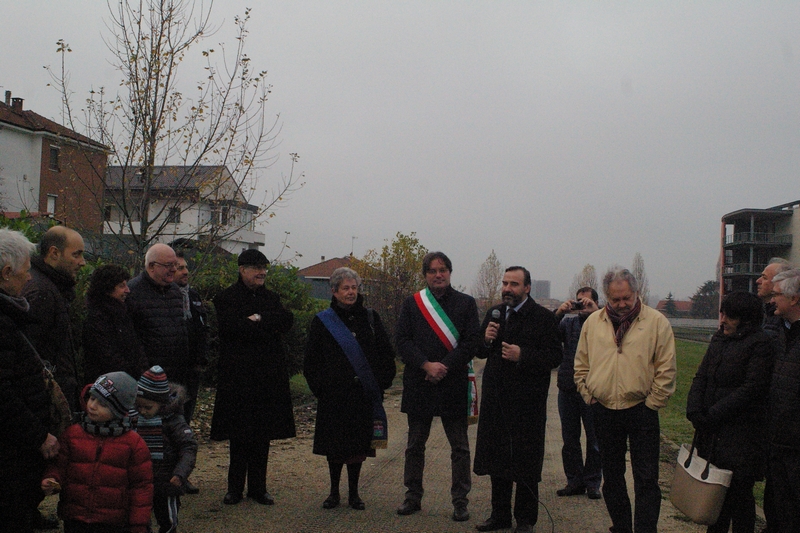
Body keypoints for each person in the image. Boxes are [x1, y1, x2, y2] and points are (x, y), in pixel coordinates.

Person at [574, 267, 677, 533]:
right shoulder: (593, 322)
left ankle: (645, 529)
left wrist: (653, 402)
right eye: (615, 299)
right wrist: (589, 394)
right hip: (604, 409)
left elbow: (666, 368)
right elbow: (581, 364)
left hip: (641, 409)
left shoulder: (656, 322)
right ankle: (621, 527)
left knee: (646, 478)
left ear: (636, 293)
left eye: (626, 299)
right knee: (613, 477)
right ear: (607, 296)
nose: (621, 305)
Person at [473, 266, 562, 533]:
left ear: (527, 288)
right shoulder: (494, 313)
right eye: (505, 283)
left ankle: (525, 520)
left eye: (514, 284)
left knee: (524, 463)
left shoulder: (543, 318)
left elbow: (554, 357)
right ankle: (499, 516)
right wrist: (485, 339)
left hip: (527, 404)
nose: (507, 289)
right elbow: (479, 350)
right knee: (497, 460)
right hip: (496, 399)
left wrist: (523, 355)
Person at [395, 251, 480, 522]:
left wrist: (443, 366)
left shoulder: (466, 304)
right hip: (420, 382)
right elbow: (402, 341)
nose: (438, 275)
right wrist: (426, 365)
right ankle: (412, 497)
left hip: (452, 383)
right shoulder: (412, 303)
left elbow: (470, 343)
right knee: (414, 445)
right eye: (432, 271)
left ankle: (460, 501)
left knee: (460, 448)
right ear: (425, 275)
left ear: (450, 272)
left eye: (443, 269)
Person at [304, 267, 396, 511]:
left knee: (357, 448)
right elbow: (311, 361)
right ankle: (333, 493)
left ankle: (354, 494)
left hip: (361, 396)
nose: (351, 292)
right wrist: (320, 389)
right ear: (334, 292)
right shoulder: (322, 321)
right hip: (333, 397)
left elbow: (386, 355)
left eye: (354, 287)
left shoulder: (371, 318)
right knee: (334, 448)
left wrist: (381, 383)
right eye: (345, 288)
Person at [210, 249, 295, 506]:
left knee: (262, 435)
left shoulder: (271, 298)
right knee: (239, 435)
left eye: (264, 268)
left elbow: (286, 320)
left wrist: (257, 319)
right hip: (238, 379)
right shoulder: (226, 298)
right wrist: (263, 326)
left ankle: (259, 488)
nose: (262, 273)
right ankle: (234, 488)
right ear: (242, 269)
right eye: (256, 268)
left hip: (267, 379)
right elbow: (230, 328)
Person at [685, 291, 774, 533]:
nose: (723, 320)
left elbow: (752, 389)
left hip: (742, 437)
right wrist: (694, 409)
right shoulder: (719, 339)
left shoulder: (761, 344)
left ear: (745, 319)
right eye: (722, 314)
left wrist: (713, 414)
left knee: (739, 499)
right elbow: (702, 375)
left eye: (729, 316)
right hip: (713, 435)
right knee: (714, 500)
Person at [0, 229, 60, 533]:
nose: (28, 278)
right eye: (25, 271)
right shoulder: (3, 321)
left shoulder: (9, 315)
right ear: (7, 272)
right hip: (10, 453)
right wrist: (39, 435)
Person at [41, 372, 153, 533]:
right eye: (92, 398)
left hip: (112, 522)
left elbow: (142, 488)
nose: (92, 406)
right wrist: (52, 478)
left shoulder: (133, 444)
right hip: (75, 517)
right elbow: (59, 465)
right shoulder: (72, 434)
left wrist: (138, 524)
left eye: (103, 404)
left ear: (118, 410)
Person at [22, 226, 86, 414]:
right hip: (46, 406)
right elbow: (30, 358)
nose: (82, 262)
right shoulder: (42, 292)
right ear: (54, 253)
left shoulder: (51, 288)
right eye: (76, 254)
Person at [553, 287, 603, 500]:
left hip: (593, 389)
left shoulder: (602, 323)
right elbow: (548, 334)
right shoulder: (568, 323)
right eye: (579, 302)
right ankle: (574, 481)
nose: (582, 306)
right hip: (567, 386)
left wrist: (595, 313)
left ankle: (592, 483)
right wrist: (559, 313)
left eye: (587, 302)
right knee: (570, 439)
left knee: (594, 440)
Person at [135, 366, 198, 533]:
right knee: (139, 518)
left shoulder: (174, 421)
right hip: (140, 480)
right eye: (139, 406)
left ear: (161, 404)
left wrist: (180, 473)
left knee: (168, 518)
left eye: (147, 407)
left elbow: (188, 446)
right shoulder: (134, 418)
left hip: (167, 480)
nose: (142, 411)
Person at [763, 268, 800, 532]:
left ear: (794, 299)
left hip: (795, 444)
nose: (771, 300)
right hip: (778, 439)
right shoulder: (782, 332)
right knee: (779, 509)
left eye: (776, 295)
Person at [126, 243, 189, 390]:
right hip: (148, 379)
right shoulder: (133, 293)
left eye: (175, 264)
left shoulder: (175, 290)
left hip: (176, 376)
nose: (174, 269)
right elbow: (131, 341)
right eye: (168, 265)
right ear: (152, 266)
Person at [82, 264, 148, 384]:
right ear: (107, 289)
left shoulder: (125, 312)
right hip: (109, 384)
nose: (127, 290)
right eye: (121, 286)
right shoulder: (96, 318)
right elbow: (107, 356)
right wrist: (135, 372)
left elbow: (136, 346)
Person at [174, 251, 208, 424]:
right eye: (180, 268)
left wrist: (201, 359)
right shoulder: (166, 297)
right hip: (173, 370)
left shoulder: (193, 296)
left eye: (186, 267)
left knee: (186, 415)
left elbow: (201, 327)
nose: (186, 271)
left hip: (192, 370)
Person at [756, 258, 792, 340]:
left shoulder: (785, 319)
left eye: (764, 278)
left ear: (779, 283)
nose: (758, 281)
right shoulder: (762, 313)